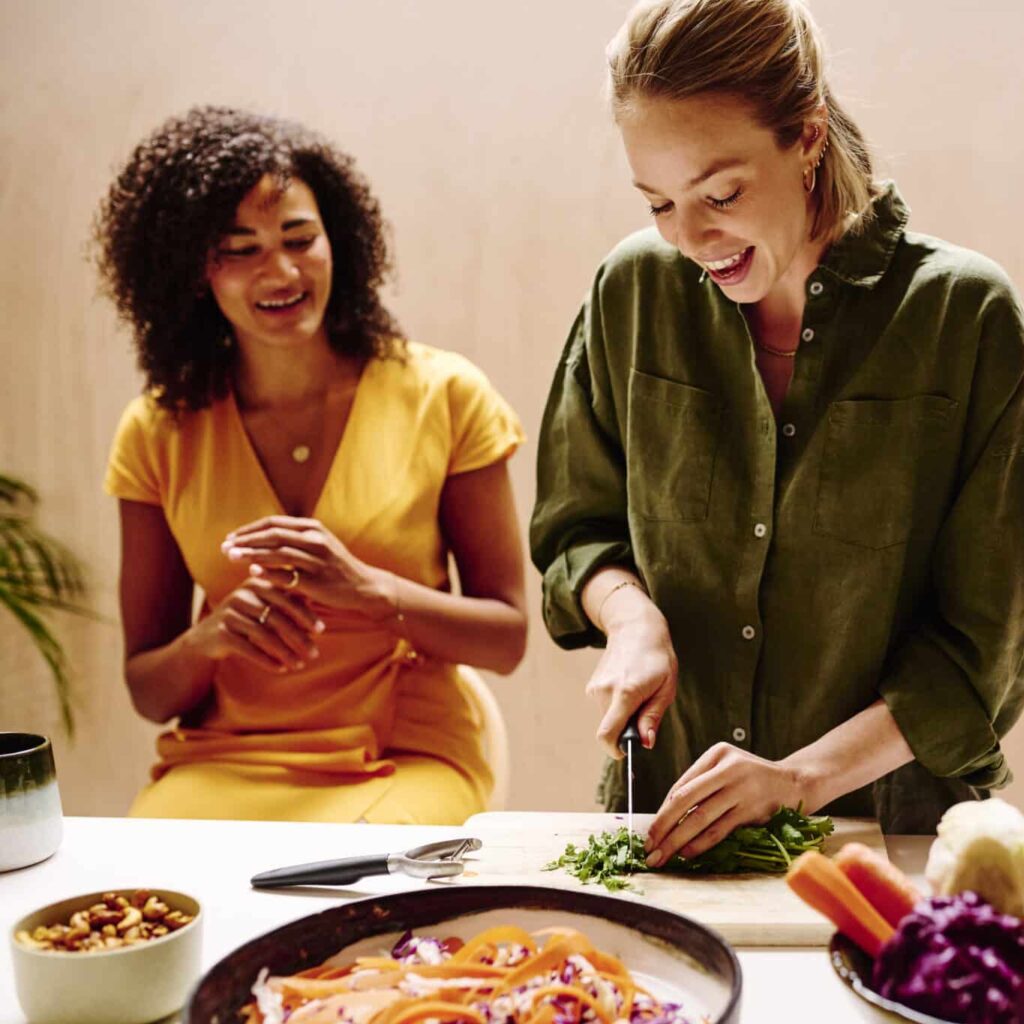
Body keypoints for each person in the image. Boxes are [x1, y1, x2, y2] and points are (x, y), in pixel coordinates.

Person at [530, 0, 1024, 864]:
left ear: (808, 137)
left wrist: (794, 782)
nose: (689, 238)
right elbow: (579, 526)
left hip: (886, 839)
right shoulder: (633, 292)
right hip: (667, 824)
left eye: (721, 194)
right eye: (658, 202)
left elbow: (982, 649)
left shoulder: (967, 318)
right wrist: (630, 615)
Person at [97, 106, 528, 824]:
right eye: (239, 249)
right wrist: (213, 637)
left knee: (349, 890)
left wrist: (369, 590)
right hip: (225, 758)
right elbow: (149, 689)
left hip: (406, 753)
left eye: (300, 238)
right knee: (155, 894)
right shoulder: (157, 430)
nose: (282, 270)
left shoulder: (446, 394)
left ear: (341, 243)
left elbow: (507, 638)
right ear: (191, 271)